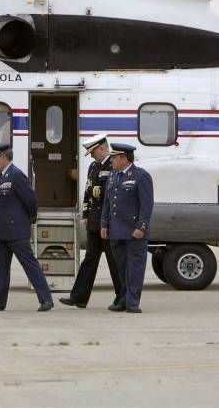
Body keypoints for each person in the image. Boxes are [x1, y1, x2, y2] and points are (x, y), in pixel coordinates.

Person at [0, 143, 54, 312]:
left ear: (3, 157)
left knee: (30, 265)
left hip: (17, 231)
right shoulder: (0, 176)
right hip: (3, 231)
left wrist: (30, 219)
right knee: (1, 268)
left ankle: (46, 299)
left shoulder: (16, 175)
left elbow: (31, 200)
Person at [59, 134, 122, 309]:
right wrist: (86, 215)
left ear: (102, 148)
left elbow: (109, 191)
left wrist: (96, 191)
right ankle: (78, 297)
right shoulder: (93, 167)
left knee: (114, 260)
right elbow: (88, 191)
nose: (92, 156)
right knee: (90, 259)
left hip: (109, 222)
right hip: (94, 221)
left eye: (93, 152)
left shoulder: (113, 165)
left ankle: (122, 297)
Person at [101, 143, 154, 314]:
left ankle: (133, 301)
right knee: (121, 268)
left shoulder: (141, 176)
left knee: (135, 268)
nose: (111, 161)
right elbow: (107, 203)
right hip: (116, 231)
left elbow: (147, 205)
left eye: (114, 158)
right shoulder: (113, 176)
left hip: (134, 232)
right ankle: (123, 299)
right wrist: (104, 224)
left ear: (124, 158)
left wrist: (142, 227)